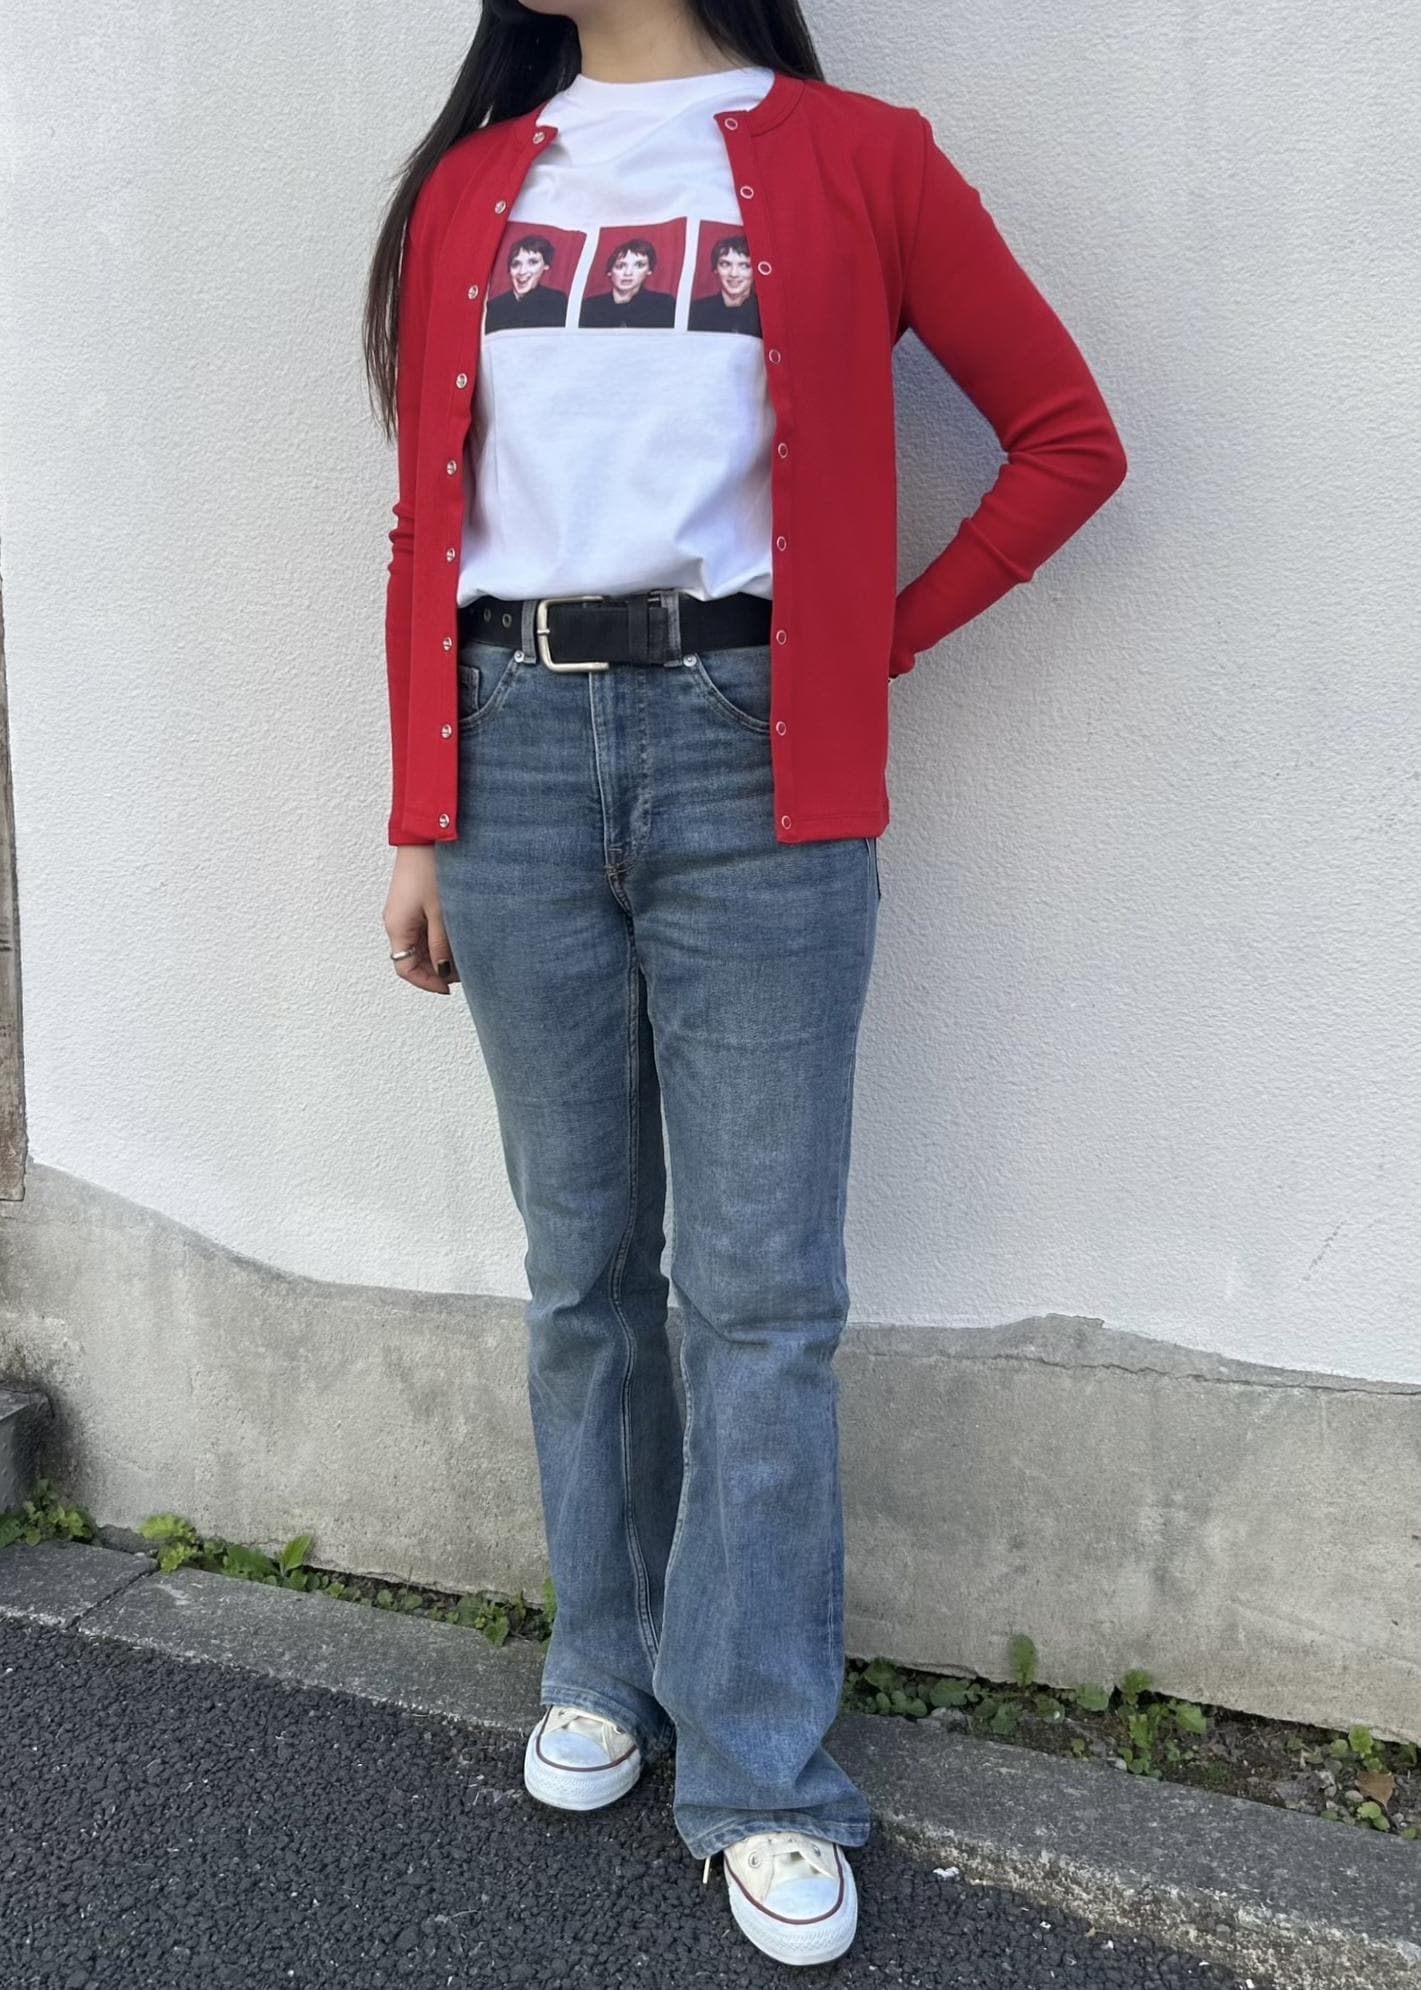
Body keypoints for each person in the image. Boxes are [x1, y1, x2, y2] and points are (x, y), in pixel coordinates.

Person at [363, 0, 1126, 1967]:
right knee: (580, 1268)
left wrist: (865, 645)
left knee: (761, 1296)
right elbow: (431, 518)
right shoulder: (474, 184)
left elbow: (1068, 439)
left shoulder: (860, 161)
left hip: (747, 755)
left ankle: (764, 1767)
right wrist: (418, 815)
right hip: (509, 756)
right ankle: (602, 1662)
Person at [578, 235, 678, 326]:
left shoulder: (664, 305)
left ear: (649, 270)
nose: (628, 273)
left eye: (639, 265)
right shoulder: (589, 307)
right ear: (609, 271)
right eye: (620, 266)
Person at [485, 232, 571, 329]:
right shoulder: (494, 307)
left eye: (532, 262)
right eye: (516, 264)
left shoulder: (556, 301)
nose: (522, 271)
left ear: (546, 265)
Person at [688, 231, 760, 334]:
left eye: (744, 265)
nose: (734, 274)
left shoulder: (766, 311)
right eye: (725, 264)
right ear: (715, 269)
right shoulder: (696, 311)